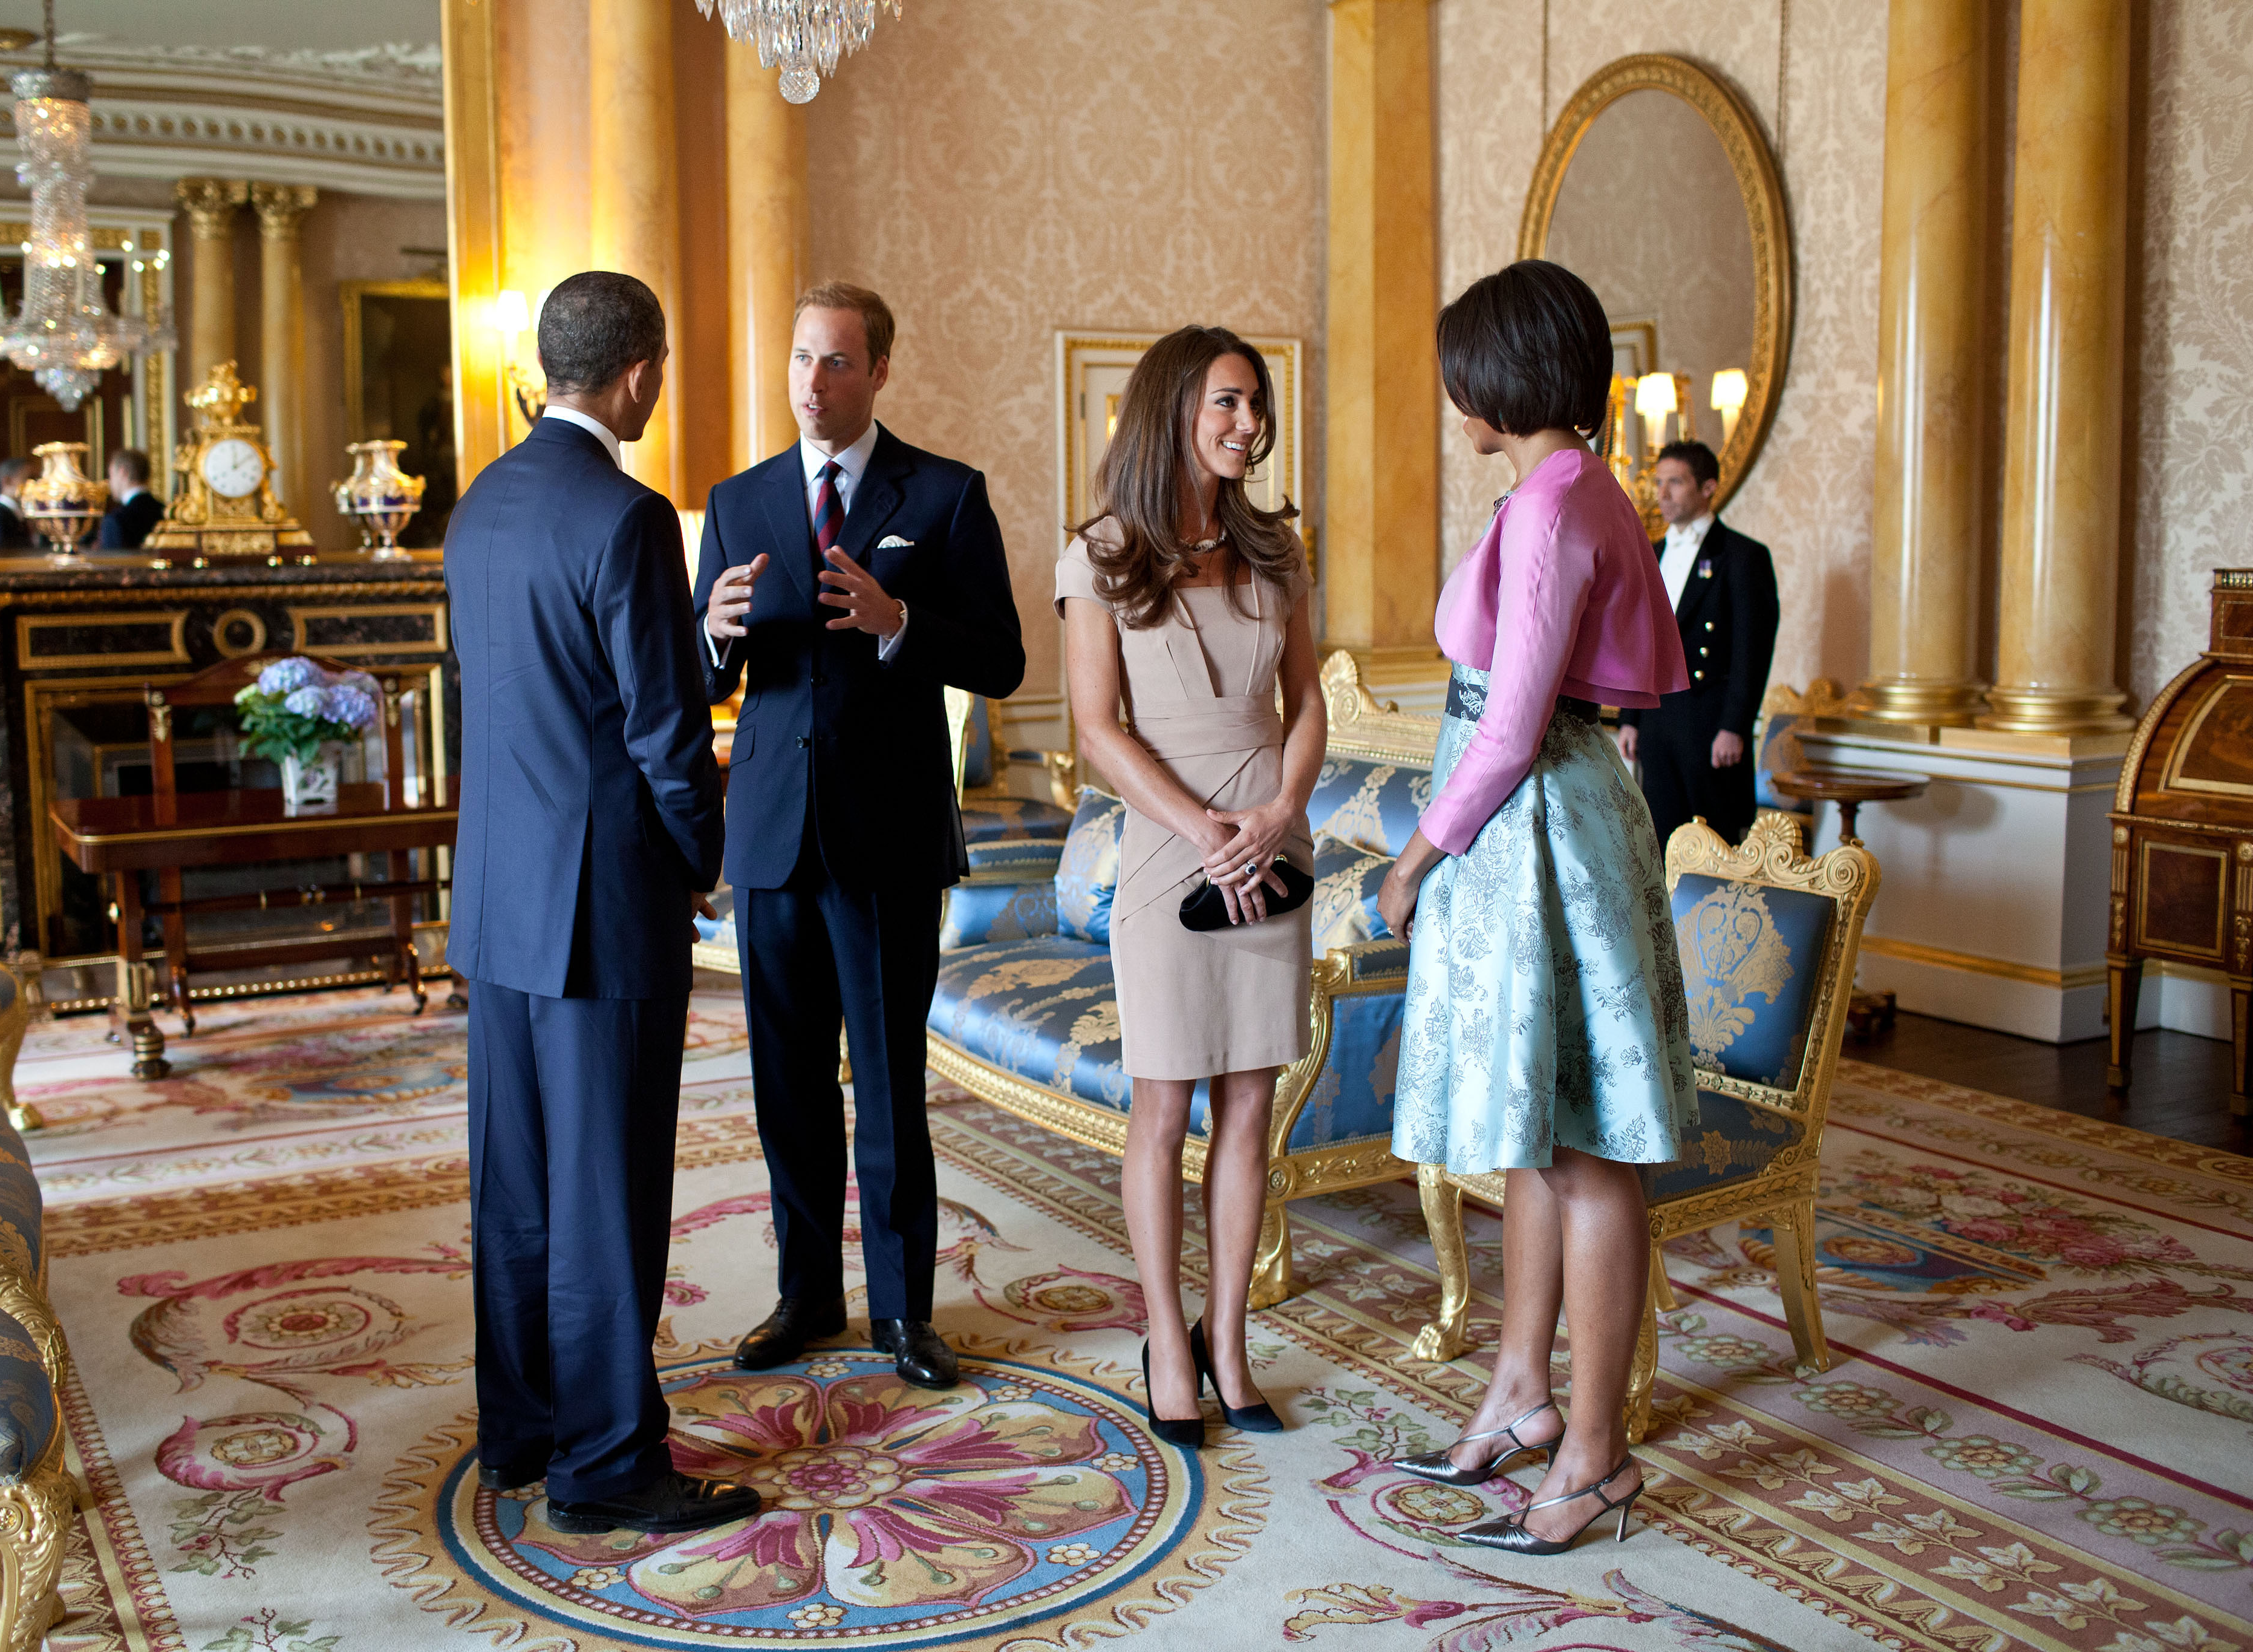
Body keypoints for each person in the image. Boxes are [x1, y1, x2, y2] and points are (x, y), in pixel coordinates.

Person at [1375, 260, 1698, 1555]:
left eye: (1459, 365)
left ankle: (1595, 1456)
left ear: (1500, 374)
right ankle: (1519, 1393)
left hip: (1537, 825)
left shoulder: (1556, 503)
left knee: (1584, 1144)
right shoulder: (1558, 487)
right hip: (1534, 822)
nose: (1450, 388)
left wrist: (1416, 857)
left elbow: (1509, 722)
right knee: (1534, 1126)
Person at [445, 270, 758, 1538]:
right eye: (663, 368)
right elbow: (662, 735)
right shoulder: (628, 518)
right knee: (607, 1193)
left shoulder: (479, 507)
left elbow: (541, 694)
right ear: (637, 373)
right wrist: (703, 856)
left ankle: (521, 1430)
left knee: (516, 1184)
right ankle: (609, 1465)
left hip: (500, 903)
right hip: (603, 907)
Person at [694, 282, 1024, 1391]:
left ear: (880, 370)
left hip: (887, 840)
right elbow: (706, 672)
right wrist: (712, 634)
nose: (812, 381)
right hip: (773, 843)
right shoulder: (736, 503)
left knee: (885, 1087)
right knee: (786, 1084)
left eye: (836, 362)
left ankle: (902, 1315)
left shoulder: (943, 493)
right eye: (799, 359)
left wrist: (903, 627)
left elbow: (1004, 660)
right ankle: (805, 1297)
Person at [1057, 327, 1322, 1448]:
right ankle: (1167, 1335)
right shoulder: (1099, 552)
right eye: (1226, 403)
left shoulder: (1276, 549)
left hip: (1269, 835)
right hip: (1171, 846)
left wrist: (1271, 813)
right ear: (1174, 407)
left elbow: (1308, 703)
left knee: (1252, 1101)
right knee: (1165, 1103)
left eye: (1255, 405)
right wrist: (1201, 826)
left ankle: (1230, 1339)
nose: (1247, 424)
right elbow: (1095, 727)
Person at [1614, 441, 1779, 850]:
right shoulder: (1650, 554)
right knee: (1661, 842)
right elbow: (1641, 641)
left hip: (1710, 725)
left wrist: (1734, 727)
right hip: (1658, 721)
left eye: (1676, 482)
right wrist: (1630, 717)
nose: (1663, 494)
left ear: (1708, 488)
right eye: (1659, 482)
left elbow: (1751, 652)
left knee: (1715, 845)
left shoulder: (1742, 557)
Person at [97, 448, 165, 549]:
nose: (109, 483)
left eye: (111, 476)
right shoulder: (166, 513)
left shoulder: (116, 521)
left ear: (123, 473)